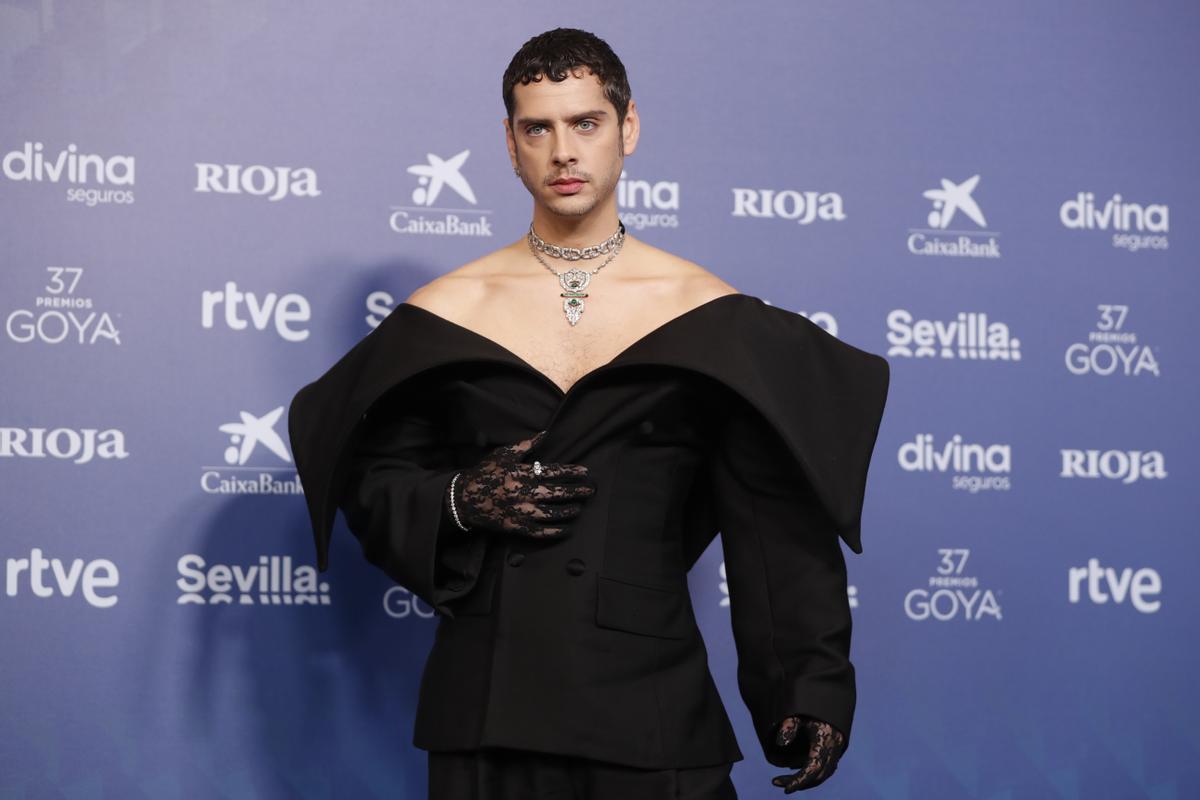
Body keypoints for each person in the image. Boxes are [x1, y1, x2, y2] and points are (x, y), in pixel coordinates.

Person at [288, 27, 890, 799]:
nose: (562, 152)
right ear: (510, 145)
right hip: (487, 711)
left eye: (585, 123)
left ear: (627, 128)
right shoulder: (447, 313)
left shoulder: (708, 317)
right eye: (538, 128)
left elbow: (772, 521)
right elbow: (373, 480)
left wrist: (809, 685)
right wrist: (455, 501)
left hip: (652, 710)